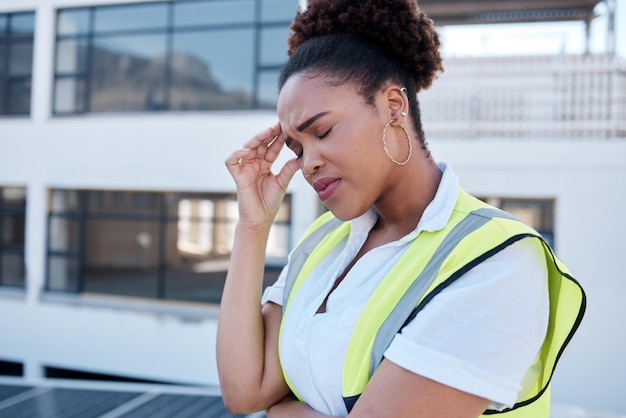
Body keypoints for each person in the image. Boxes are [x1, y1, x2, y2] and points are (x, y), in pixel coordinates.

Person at [217, 1, 586, 417]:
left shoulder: (499, 260)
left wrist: (283, 411)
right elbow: (244, 392)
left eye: (323, 131)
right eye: (296, 148)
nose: (308, 163)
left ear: (393, 105)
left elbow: (265, 406)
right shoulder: (322, 242)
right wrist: (252, 226)